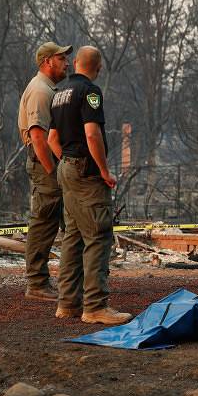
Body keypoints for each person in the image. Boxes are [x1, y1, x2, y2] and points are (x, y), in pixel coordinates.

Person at [48, 46, 132, 324]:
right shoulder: (91, 92)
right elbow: (92, 133)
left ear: (74, 63)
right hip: (87, 172)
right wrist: (104, 171)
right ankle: (95, 306)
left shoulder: (59, 93)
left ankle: (68, 303)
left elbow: (51, 140)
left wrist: (68, 162)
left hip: (66, 169)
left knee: (72, 236)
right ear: (99, 66)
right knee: (98, 235)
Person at [17, 41, 72, 301]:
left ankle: (62, 281)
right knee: (43, 221)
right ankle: (37, 284)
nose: (67, 62)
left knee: (52, 219)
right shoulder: (40, 91)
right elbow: (38, 137)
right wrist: (53, 172)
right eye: (62, 58)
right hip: (45, 163)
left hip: (47, 162)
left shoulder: (47, 88)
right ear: (47, 61)